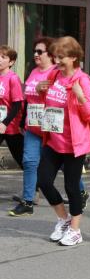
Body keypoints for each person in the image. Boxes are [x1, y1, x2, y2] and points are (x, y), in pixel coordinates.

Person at [37, 36, 90, 246]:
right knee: (43, 181)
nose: (57, 61)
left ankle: (75, 230)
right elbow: (50, 102)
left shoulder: (83, 80)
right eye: (55, 56)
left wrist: (80, 98)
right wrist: (40, 91)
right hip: (53, 140)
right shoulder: (54, 75)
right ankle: (63, 219)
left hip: (74, 144)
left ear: (73, 58)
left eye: (61, 57)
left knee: (72, 187)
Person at [9, 38, 56, 216]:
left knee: (62, 164)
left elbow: (60, 98)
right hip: (33, 126)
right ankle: (27, 201)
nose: (35, 54)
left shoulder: (56, 72)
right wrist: (23, 122)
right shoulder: (34, 72)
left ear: (50, 54)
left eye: (39, 52)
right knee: (29, 162)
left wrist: (45, 91)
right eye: (34, 51)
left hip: (51, 127)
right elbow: (28, 100)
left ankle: (81, 191)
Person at [0, 45, 24, 175]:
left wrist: (5, 123)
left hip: (11, 126)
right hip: (0, 124)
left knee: (20, 159)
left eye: (3, 57)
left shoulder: (13, 78)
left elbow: (17, 104)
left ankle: (35, 188)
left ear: (11, 62)